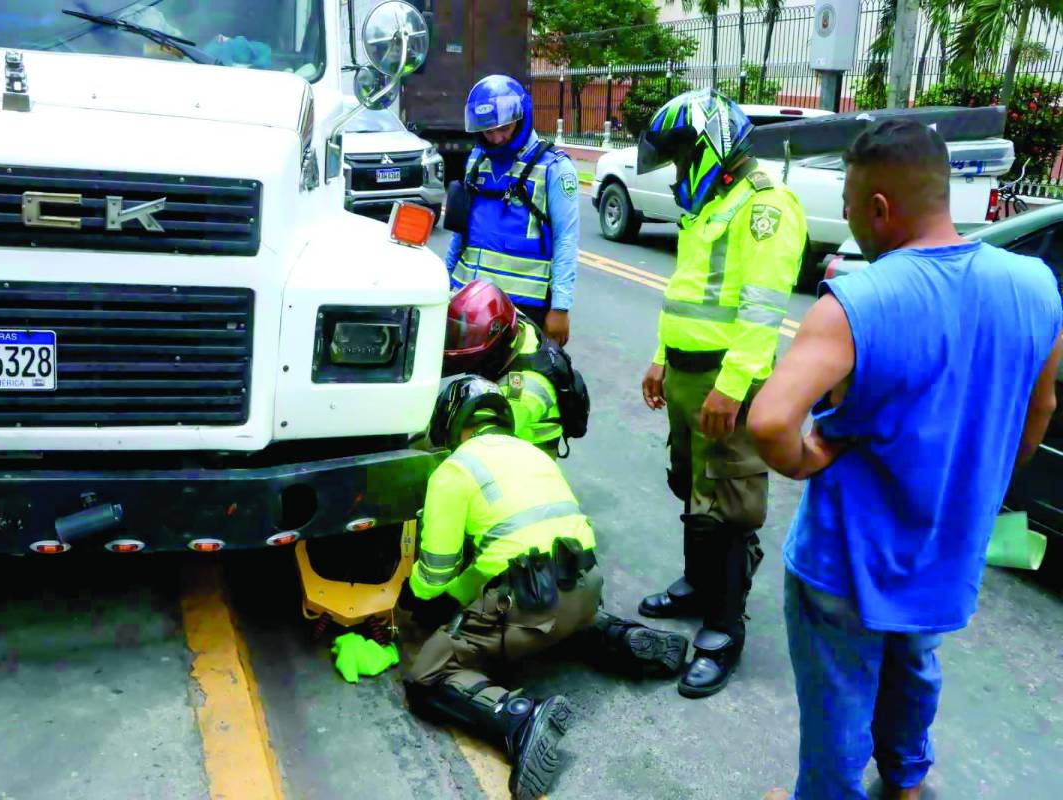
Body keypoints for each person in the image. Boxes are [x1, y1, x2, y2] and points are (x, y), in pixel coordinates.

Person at [748, 120, 1063, 800]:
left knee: (839, 699)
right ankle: (906, 784)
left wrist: (806, 460)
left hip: (846, 560)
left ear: (880, 208)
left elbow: (772, 421)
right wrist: (975, 483)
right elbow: (1038, 410)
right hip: (947, 548)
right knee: (915, 665)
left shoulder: (858, 302)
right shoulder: (1037, 286)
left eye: (856, 208)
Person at [401, 375, 689, 800]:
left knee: (425, 674)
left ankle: (518, 719)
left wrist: (414, 601)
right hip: (586, 585)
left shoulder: (453, 470)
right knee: (555, 618)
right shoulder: (534, 455)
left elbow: (435, 577)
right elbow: (516, 546)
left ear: (448, 421)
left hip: (529, 602)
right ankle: (623, 639)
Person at [634, 88, 808, 698]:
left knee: (728, 503)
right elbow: (686, 290)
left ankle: (724, 626)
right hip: (684, 374)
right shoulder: (710, 203)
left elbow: (763, 312)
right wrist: (661, 358)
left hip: (724, 381)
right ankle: (696, 582)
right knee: (689, 484)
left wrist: (732, 389)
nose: (680, 170)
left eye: (683, 156)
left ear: (711, 145)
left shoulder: (765, 206)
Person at [444, 75, 580, 346]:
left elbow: (566, 239)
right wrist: (443, 279)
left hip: (523, 307)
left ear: (521, 117)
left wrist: (561, 307)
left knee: (522, 384)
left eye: (503, 128)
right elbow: (461, 230)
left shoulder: (554, 168)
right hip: (470, 299)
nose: (495, 138)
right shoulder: (476, 160)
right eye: (487, 131)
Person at [442, 279, 588, 457]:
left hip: (527, 458)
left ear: (492, 338)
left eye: (465, 337)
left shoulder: (522, 391)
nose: (458, 342)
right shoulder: (514, 324)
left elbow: (479, 447)